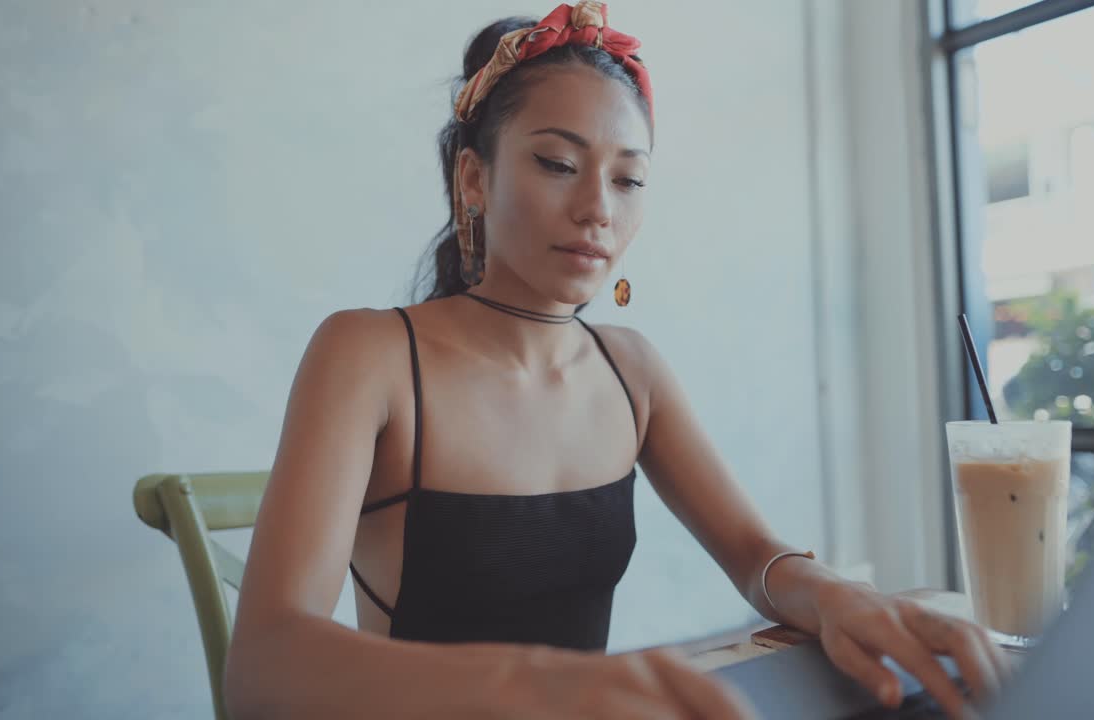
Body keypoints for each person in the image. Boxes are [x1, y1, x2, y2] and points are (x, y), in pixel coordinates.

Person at [224, 3, 1008, 718]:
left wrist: (838, 595)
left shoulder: (630, 369)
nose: (599, 207)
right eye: (558, 164)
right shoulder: (368, 353)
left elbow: (754, 556)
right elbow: (262, 665)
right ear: (473, 178)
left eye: (628, 178)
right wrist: (534, 684)